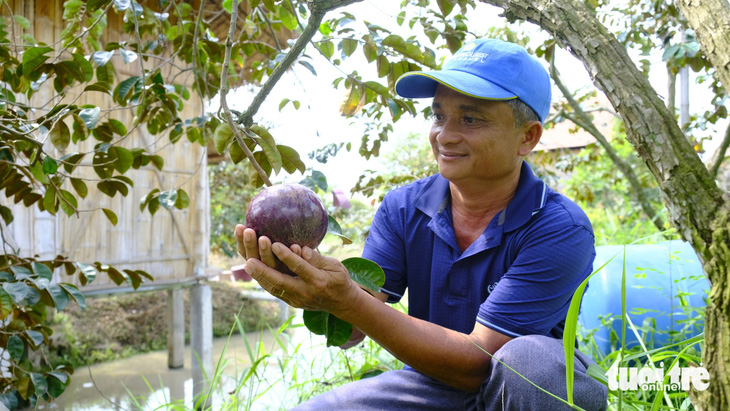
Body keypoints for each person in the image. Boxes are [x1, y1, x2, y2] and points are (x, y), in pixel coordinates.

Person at [235, 38, 608, 410]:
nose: (444, 135)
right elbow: (353, 326)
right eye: (438, 115)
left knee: (531, 361)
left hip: (526, 392)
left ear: (527, 136)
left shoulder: (559, 227)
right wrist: (305, 281)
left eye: (471, 119)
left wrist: (347, 299)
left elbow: (482, 364)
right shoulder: (402, 208)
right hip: (434, 383)